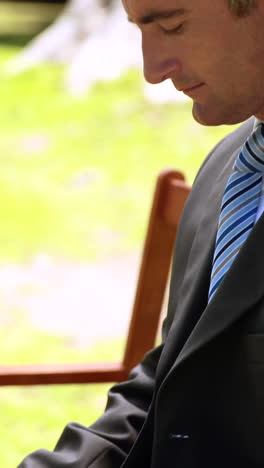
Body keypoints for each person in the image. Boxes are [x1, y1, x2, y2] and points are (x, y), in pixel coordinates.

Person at [18, 0, 264, 466]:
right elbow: (175, 380)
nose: (153, 71)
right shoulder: (229, 166)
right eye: (139, 31)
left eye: (172, 26)